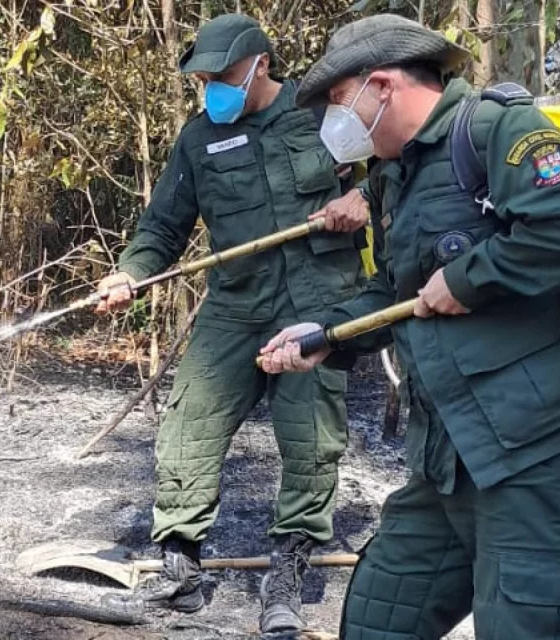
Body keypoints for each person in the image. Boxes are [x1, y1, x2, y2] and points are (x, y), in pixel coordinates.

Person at [259, 14, 560, 639]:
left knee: (526, 627)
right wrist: (325, 334)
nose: (332, 124)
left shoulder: (492, 128)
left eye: (338, 102)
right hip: (448, 457)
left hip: (533, 449)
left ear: (382, 86)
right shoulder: (395, 176)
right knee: (381, 618)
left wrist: (470, 277)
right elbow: (396, 292)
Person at [92, 13, 370, 633]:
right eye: (205, 79)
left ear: (262, 66)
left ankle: (288, 575)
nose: (212, 88)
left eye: (223, 76)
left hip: (317, 301)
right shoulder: (198, 140)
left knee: (310, 442)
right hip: (236, 304)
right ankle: (182, 569)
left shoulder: (327, 112)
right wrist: (128, 273)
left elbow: (399, 169)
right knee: (188, 421)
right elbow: (162, 226)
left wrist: (364, 198)